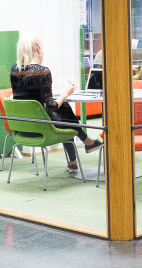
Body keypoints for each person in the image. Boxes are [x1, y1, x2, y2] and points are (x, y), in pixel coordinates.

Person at [10, 34, 103, 172]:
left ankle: (77, 155)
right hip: (41, 128)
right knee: (64, 113)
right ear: (38, 48)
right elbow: (49, 108)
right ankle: (85, 142)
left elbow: (29, 97)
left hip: (22, 126)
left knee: (63, 110)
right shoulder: (42, 71)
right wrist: (66, 93)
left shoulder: (15, 69)